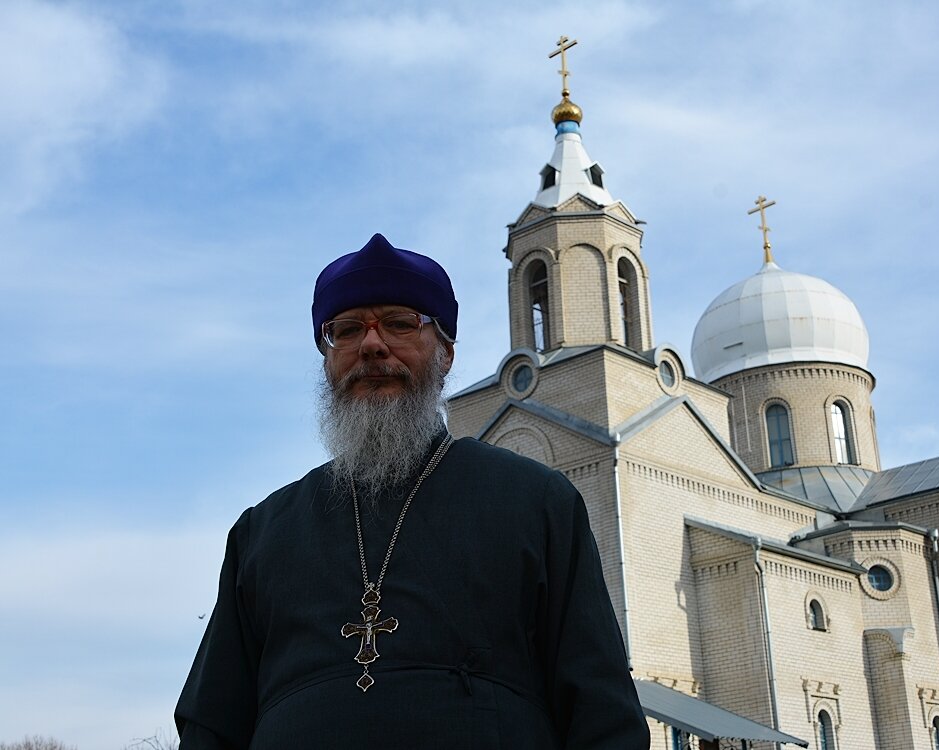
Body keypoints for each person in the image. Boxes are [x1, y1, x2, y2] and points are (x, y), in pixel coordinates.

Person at [175, 233, 649, 748]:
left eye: (399, 323)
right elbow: (210, 724)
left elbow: (605, 717)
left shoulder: (537, 502)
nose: (371, 345)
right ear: (327, 361)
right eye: (347, 330)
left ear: (445, 354)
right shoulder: (263, 532)